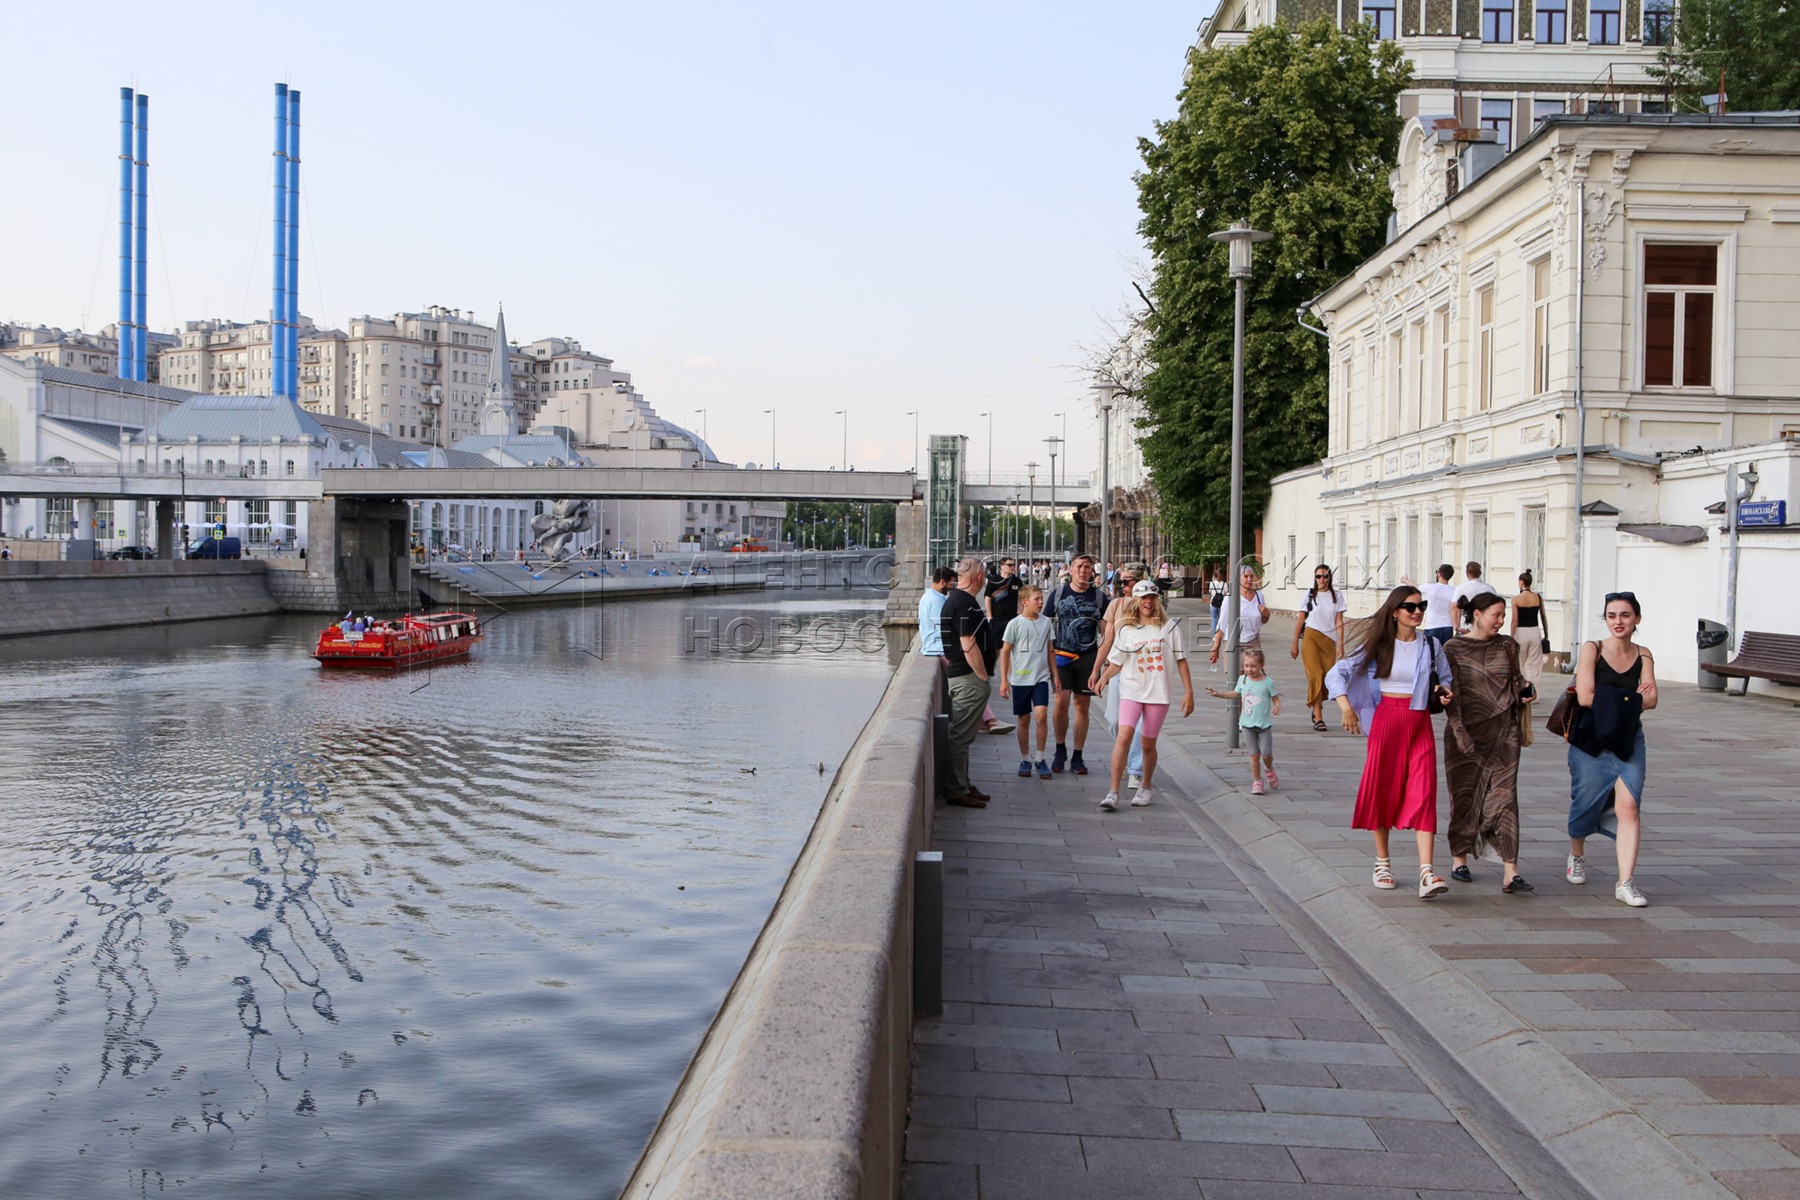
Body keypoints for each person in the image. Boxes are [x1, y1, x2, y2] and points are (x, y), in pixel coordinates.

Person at [1327, 584, 1457, 900]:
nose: (1417, 612)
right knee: (1382, 789)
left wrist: (1445, 692)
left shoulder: (1431, 645)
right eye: (1411, 607)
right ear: (1396, 611)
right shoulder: (1379, 645)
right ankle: (1382, 863)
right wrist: (1346, 708)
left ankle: (1426, 871)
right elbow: (1337, 673)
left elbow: (1446, 680)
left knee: (1424, 791)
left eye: (1421, 606)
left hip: (1418, 723)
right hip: (1387, 720)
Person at [1566, 591, 1658, 906]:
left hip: (1628, 739)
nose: (1618, 621)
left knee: (1629, 806)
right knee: (1585, 802)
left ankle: (1625, 882)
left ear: (1637, 619)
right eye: (1611, 615)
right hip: (1590, 740)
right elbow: (1584, 697)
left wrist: (1608, 694)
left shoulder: (1644, 654)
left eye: (1625, 615)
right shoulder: (1592, 649)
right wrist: (1630, 697)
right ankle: (1577, 853)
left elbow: (1653, 700)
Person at [1443, 592, 1538, 894]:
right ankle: (1459, 858)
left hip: (1504, 731)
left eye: (1502, 615)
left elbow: (1517, 679)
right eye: (1496, 615)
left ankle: (1511, 870)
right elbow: (1451, 695)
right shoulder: (1453, 648)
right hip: (1466, 733)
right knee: (1465, 796)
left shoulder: (1508, 645)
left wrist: (1525, 690)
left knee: (1505, 797)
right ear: (1478, 614)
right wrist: (1460, 732)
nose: (1501, 620)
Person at [1093, 581, 1193, 810]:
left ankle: (1145, 785)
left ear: (1157, 600)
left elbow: (1181, 661)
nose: (1148, 602)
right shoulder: (1126, 630)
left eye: (1151, 597)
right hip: (1131, 690)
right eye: (1143, 598)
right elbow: (1117, 662)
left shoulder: (1169, 628)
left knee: (1148, 743)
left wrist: (1189, 692)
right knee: (1124, 735)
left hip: (1158, 694)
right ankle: (1113, 791)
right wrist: (1103, 678)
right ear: (1135, 602)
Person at [939, 557, 994, 809]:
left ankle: (964, 784)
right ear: (979, 577)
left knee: (964, 736)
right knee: (960, 736)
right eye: (985, 576)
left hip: (964, 677)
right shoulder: (963, 604)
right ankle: (956, 789)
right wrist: (982, 676)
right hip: (967, 678)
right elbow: (967, 643)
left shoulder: (960, 601)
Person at [1046, 555, 1104, 776]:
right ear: (1070, 570)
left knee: (1082, 705)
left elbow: (1106, 633)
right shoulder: (1058, 595)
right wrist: (1047, 659)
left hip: (1088, 657)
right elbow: (1045, 627)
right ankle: (1060, 749)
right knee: (1061, 702)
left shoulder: (1099, 598)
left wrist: (1102, 664)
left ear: (1092, 572)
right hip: (1061, 656)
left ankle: (1077, 755)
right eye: (1079, 566)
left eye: (1087, 567)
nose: (1083, 570)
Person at [1093, 563, 1148, 788]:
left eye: (1127, 581)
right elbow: (1107, 639)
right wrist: (1096, 669)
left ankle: (1135, 768)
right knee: (1114, 719)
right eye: (1120, 581)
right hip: (1117, 669)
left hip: (1143, 672)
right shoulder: (1115, 605)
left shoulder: (1150, 605)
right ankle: (1124, 752)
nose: (1122, 586)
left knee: (1138, 722)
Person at [998, 584, 1058, 780]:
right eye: (1037, 599)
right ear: (1024, 602)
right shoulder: (1014, 624)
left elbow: (1050, 650)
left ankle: (1040, 758)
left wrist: (1055, 675)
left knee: (1041, 716)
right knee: (1023, 720)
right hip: (1021, 679)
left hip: (1040, 678)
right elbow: (1005, 652)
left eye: (1041, 598)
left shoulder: (1046, 623)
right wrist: (1004, 680)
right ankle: (1025, 758)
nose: (1041, 602)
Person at [1206, 647, 1281, 794]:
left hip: (1264, 725)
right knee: (1254, 754)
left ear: (1261, 665)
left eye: (1253, 666)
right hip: (1247, 725)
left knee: (1266, 753)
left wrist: (1277, 706)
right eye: (1247, 666)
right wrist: (1219, 694)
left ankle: (1269, 769)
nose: (1249, 669)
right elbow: (1235, 693)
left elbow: (1276, 699)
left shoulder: (1268, 682)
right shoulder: (1243, 680)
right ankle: (1257, 782)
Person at [1291, 564, 1346, 732]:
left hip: (1329, 640)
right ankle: (1319, 717)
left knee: (1326, 678)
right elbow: (1300, 619)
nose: (1322, 579)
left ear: (1330, 578)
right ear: (1314, 578)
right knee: (1315, 675)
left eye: (1325, 576)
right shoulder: (1309, 594)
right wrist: (1294, 644)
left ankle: (1318, 706)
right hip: (1311, 637)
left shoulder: (1337, 596)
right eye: (1318, 576)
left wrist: (1341, 644)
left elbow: (1339, 621)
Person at [980, 558, 1022, 735]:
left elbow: (1022, 597)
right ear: (1002, 566)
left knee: (1011, 648)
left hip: (1012, 619)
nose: (1013, 567)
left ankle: (1010, 675)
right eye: (1010, 565)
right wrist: (989, 616)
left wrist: (1020, 613)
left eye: (1014, 565)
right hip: (997, 619)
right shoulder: (994, 580)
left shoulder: (1017, 581)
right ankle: (991, 671)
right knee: (996, 648)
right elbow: (988, 597)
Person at [1208, 565, 1269, 666]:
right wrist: (1216, 646)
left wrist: (1267, 615)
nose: (1249, 579)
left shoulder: (1259, 596)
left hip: (1253, 641)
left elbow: (1261, 621)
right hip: (1233, 642)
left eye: (1251, 576)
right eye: (1246, 576)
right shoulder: (1230, 597)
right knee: (1236, 678)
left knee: (1252, 675)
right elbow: (1222, 624)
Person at [1511, 570, 1546, 691]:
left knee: (1520, 661)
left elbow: (1514, 620)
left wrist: (1512, 635)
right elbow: (1543, 616)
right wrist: (1546, 634)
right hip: (1535, 631)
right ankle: (1533, 691)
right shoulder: (1538, 597)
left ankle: (1522, 689)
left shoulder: (1516, 599)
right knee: (1534, 663)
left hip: (1521, 632)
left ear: (1521, 583)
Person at [1416, 564, 1458, 648]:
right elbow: (1456, 609)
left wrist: (1405, 580)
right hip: (1447, 627)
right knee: (1445, 654)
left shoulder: (1431, 587)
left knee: (1430, 653)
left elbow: (1416, 586)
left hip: (1432, 626)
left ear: (1439, 574)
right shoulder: (1454, 591)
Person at [917, 567, 955, 657]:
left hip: (932, 647)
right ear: (942, 582)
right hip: (939, 650)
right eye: (951, 584)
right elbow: (945, 627)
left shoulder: (926, 596)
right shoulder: (936, 601)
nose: (951, 587)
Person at [1454, 561, 1497, 632]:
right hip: (1486, 626)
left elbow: (1454, 606)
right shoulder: (1490, 588)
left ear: (1467, 574)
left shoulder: (1461, 588)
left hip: (1467, 627)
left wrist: (1456, 627)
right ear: (1480, 573)